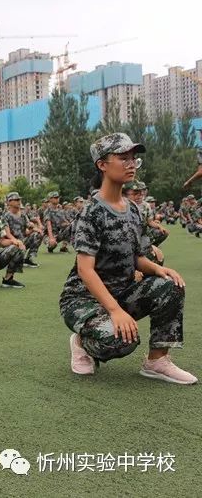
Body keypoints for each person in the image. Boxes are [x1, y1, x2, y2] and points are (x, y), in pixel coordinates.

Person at [60, 133, 195, 384]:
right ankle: (81, 342)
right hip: (83, 300)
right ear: (102, 164)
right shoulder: (92, 212)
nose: (131, 164)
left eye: (134, 158)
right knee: (124, 341)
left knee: (170, 285)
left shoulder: (132, 209)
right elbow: (85, 269)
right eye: (123, 158)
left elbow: (137, 257)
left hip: (121, 291)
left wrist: (158, 269)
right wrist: (114, 311)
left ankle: (157, 361)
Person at [3, 192, 42, 268]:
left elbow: (27, 231)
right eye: (16, 200)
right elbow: (7, 234)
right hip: (11, 243)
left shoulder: (23, 215)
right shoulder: (6, 216)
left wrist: (34, 229)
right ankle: (12, 259)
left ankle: (29, 259)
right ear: (9, 202)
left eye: (19, 200)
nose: (19, 202)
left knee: (37, 234)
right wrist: (17, 242)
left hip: (22, 241)